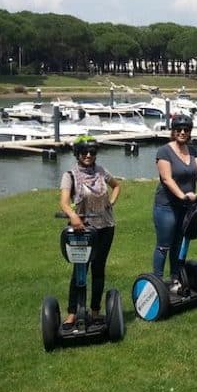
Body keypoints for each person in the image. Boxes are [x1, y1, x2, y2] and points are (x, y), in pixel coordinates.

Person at [58, 135, 121, 329]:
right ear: (77, 154)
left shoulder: (102, 171)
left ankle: (95, 311)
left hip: (105, 228)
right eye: (84, 152)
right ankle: (72, 313)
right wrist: (73, 215)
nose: (88, 155)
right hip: (82, 230)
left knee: (98, 269)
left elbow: (117, 186)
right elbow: (64, 202)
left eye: (92, 152)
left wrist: (110, 202)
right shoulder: (70, 175)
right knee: (80, 270)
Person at [152, 114, 197, 291]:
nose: (182, 132)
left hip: (187, 206)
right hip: (166, 206)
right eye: (178, 129)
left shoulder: (193, 151)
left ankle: (174, 279)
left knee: (179, 243)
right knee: (164, 245)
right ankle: (156, 283)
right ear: (173, 131)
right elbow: (167, 179)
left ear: (189, 132)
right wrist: (181, 195)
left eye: (186, 130)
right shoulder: (164, 151)